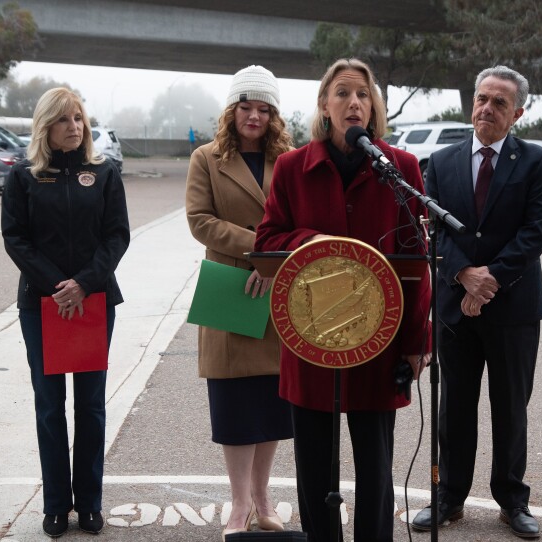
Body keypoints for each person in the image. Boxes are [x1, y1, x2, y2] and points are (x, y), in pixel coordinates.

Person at [254, 58, 432, 542]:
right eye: (342, 93)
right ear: (324, 105)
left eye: (363, 94)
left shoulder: (401, 168)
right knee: (314, 468)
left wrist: (417, 342)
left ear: (373, 108)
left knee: (375, 466)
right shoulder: (292, 167)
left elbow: (417, 262)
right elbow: (267, 240)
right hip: (312, 339)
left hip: (379, 339)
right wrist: (312, 242)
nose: (354, 102)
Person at [410, 65, 542, 539]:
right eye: (481, 99)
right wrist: (463, 276)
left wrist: (489, 280)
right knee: (454, 406)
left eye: (499, 103)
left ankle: (513, 500)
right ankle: (449, 497)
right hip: (456, 306)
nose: (487, 108)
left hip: (513, 308)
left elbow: (535, 231)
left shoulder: (534, 162)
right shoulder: (442, 162)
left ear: (518, 113)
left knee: (511, 406)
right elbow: (431, 229)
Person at [1, 87, 130, 538]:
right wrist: (58, 286)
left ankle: (90, 503)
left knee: (90, 406)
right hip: (42, 305)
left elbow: (117, 236)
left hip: (93, 301)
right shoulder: (24, 177)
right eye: (63, 119)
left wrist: (84, 284)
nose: (74, 127)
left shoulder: (105, 172)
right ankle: (56, 505)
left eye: (78, 118)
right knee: (49, 406)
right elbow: (15, 238)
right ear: (45, 126)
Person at [185, 65, 295, 541]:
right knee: (233, 400)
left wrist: (273, 262)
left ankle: (263, 498)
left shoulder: (290, 159)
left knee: (271, 400)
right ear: (232, 111)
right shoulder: (206, 158)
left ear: (274, 115)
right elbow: (200, 220)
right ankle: (239, 503)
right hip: (230, 284)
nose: (254, 116)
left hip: (278, 287)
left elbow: (300, 219)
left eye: (263, 109)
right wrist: (260, 250)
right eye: (246, 107)